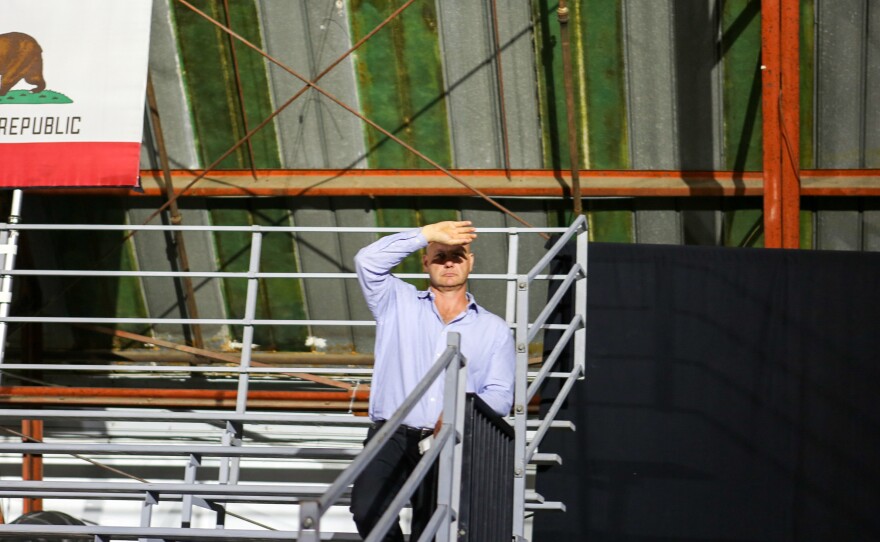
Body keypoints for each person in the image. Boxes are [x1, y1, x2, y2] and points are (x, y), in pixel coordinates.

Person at [350, 220, 515, 541]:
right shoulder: (396, 302)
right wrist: (425, 235)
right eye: (439, 256)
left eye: (457, 255)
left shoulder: (494, 329)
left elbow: (500, 395)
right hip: (389, 435)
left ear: (471, 262)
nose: (449, 263)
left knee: (430, 528)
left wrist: (458, 410)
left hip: (449, 443)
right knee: (367, 508)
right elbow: (366, 261)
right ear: (425, 261)